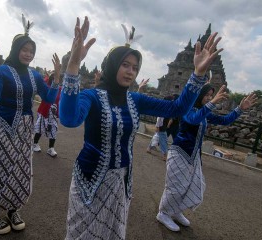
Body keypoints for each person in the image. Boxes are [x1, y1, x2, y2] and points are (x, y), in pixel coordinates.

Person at [59, 17, 223, 239]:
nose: (130, 71)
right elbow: (69, 119)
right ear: (112, 65)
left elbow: (177, 108)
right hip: (90, 179)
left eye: (135, 68)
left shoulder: (134, 99)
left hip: (120, 183)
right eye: (125, 65)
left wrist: (198, 74)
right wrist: (73, 66)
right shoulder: (92, 96)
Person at [0, 15, 61, 235]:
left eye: (31, 51)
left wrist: (56, 78)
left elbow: (48, 98)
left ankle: (13, 208)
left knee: (20, 170)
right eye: (24, 49)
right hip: (2, 125)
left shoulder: (35, 75)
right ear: (16, 49)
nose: (28, 54)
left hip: (25, 128)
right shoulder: (1, 71)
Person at [156, 84, 257, 232]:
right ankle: (163, 213)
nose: (210, 98)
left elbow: (225, 121)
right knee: (176, 187)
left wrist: (240, 109)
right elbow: (193, 120)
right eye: (207, 95)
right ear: (199, 94)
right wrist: (213, 103)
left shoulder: (204, 112)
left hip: (193, 156)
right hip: (179, 153)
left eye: (211, 95)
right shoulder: (188, 109)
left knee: (189, 185)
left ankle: (176, 211)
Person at [32, 72, 62, 157]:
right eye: (55, 78)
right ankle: (35, 144)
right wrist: (46, 77)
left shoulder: (60, 89)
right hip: (44, 111)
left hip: (53, 112)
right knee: (40, 128)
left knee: (53, 130)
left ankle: (51, 148)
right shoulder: (46, 87)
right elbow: (42, 83)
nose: (57, 80)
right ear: (52, 79)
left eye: (58, 79)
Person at [147, 95, 174, 160]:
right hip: (161, 126)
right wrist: (157, 126)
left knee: (156, 137)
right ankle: (165, 155)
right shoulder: (164, 108)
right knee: (163, 140)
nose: (173, 101)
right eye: (172, 100)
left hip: (162, 126)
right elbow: (159, 118)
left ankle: (149, 148)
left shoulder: (167, 107)